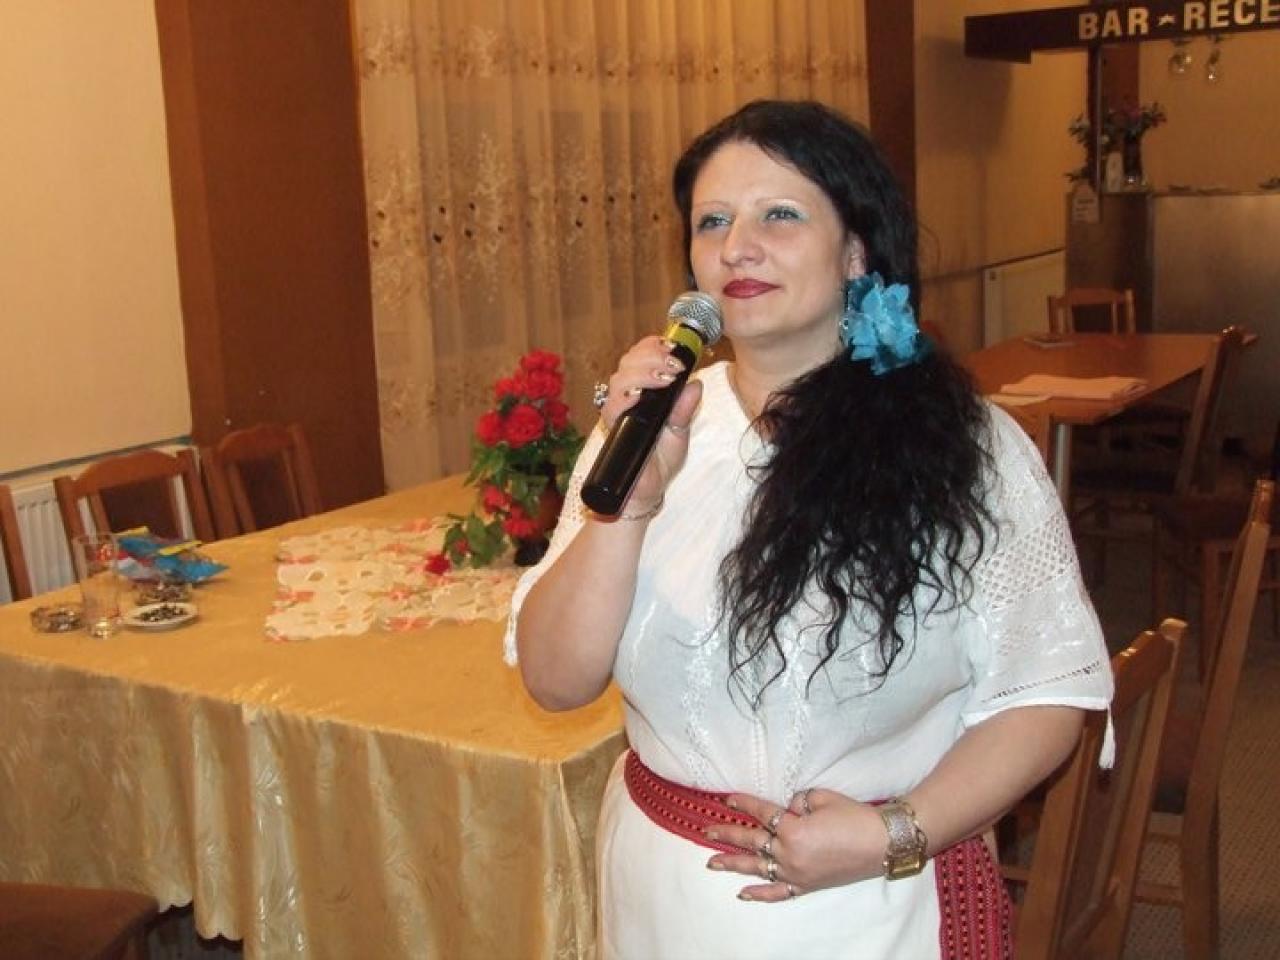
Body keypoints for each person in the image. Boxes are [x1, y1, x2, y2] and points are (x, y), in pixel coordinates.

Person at [505, 99, 1112, 959]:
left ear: (855, 251)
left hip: (872, 902)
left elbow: (1045, 693)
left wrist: (896, 833)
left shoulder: (968, 447)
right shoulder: (647, 430)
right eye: (713, 221)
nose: (736, 247)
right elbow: (558, 682)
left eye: (779, 215)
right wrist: (629, 505)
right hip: (661, 896)